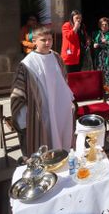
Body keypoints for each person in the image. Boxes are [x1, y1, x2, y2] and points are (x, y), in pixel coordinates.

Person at [11, 27, 74, 156]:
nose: (47, 43)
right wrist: (22, 119)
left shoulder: (56, 57)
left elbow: (63, 79)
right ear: (34, 41)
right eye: (43, 40)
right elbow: (18, 92)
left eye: (49, 39)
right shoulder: (27, 64)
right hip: (40, 111)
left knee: (63, 143)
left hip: (59, 109)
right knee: (44, 146)